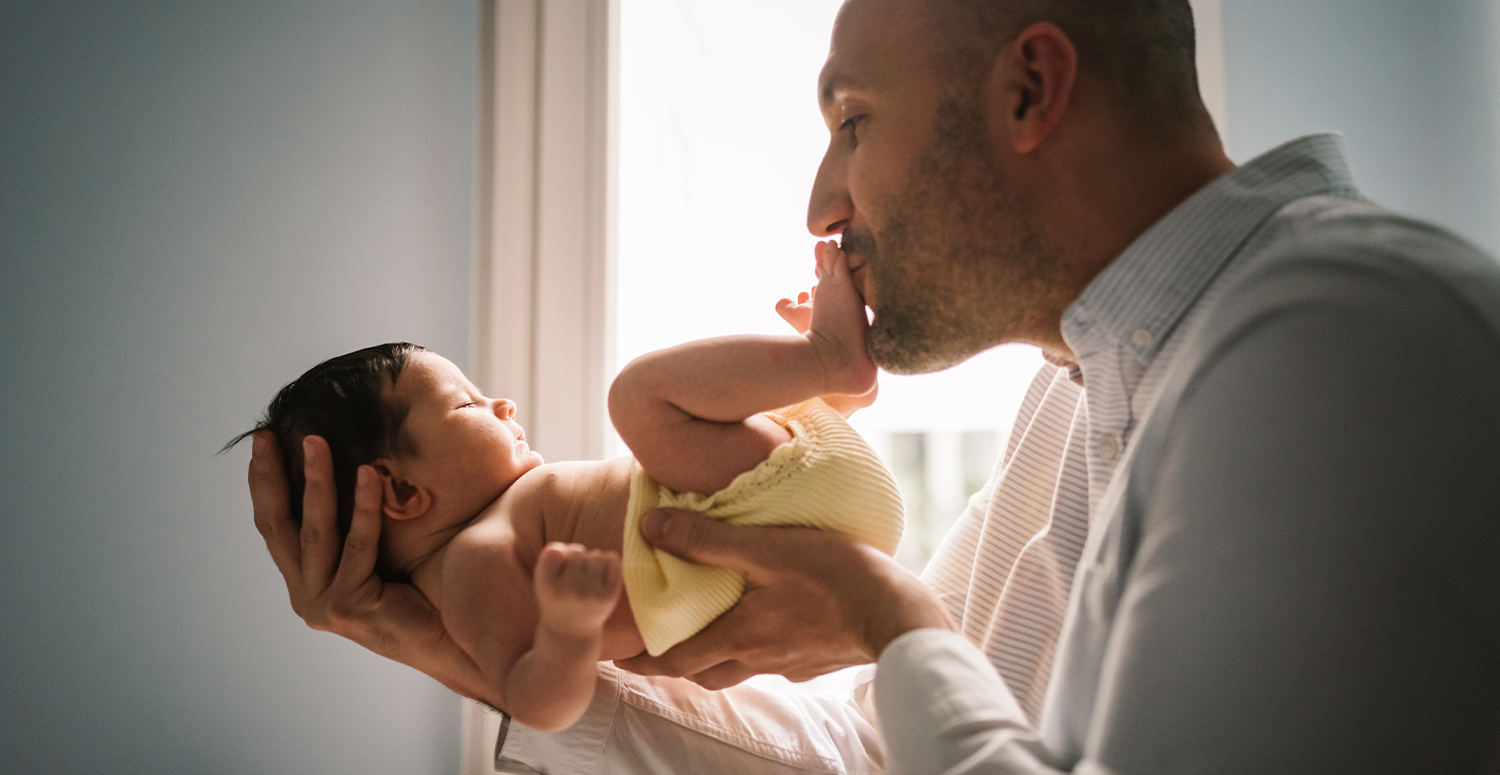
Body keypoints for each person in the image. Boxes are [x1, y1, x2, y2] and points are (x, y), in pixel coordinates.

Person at [250, 0, 1500, 772]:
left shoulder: (1338, 342)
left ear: (1030, 89)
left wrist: (881, 608)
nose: (821, 204)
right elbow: (882, 748)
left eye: (852, 119)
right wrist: (454, 647)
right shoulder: (1084, 393)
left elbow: (908, 673)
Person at [236, 243, 906, 732]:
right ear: (403, 493)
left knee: (668, 430)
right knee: (635, 398)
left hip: (777, 511)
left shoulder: (507, 524)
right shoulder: (473, 561)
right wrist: (567, 628)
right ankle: (825, 361)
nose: (501, 403)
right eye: (468, 405)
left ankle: (827, 384)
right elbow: (535, 701)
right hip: (769, 510)